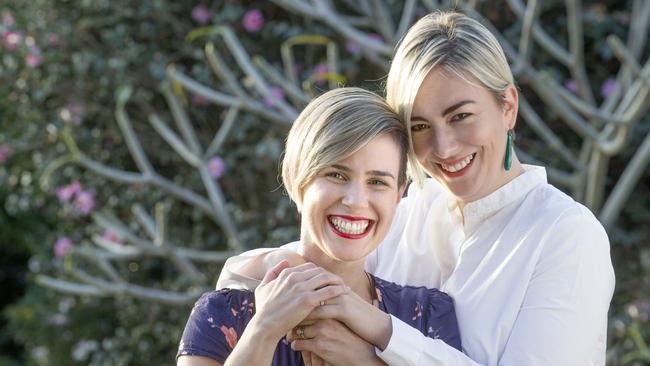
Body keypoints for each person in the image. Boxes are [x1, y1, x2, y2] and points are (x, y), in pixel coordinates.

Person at [215, 11, 616, 366]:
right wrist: (269, 291)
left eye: (461, 116)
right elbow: (259, 274)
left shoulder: (566, 234)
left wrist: (375, 341)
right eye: (420, 126)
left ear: (508, 107)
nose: (443, 148)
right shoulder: (406, 216)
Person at [176, 88, 462, 366]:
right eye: (336, 174)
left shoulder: (427, 317)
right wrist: (263, 331)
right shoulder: (221, 314)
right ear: (297, 182)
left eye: (377, 182)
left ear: (398, 194)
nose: (356, 201)